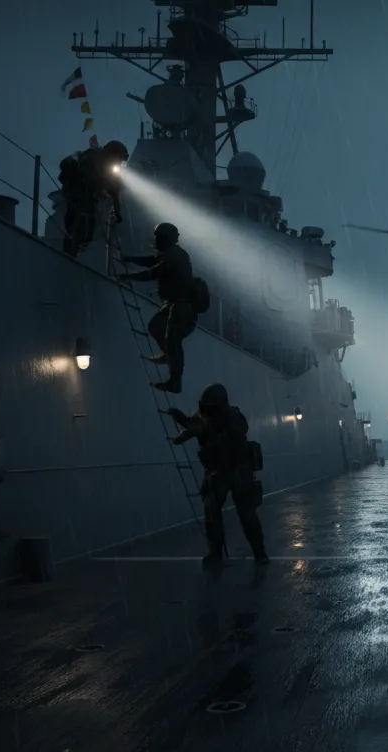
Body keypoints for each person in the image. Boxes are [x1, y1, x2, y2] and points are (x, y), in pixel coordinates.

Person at [167, 384, 269, 568]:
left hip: (237, 471)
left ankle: (259, 553)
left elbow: (221, 432)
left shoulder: (233, 418)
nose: (205, 410)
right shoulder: (208, 417)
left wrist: (194, 431)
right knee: (213, 513)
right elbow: (194, 425)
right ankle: (217, 552)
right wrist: (181, 419)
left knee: (246, 514)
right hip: (219, 472)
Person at [118, 222, 209, 393]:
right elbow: (151, 261)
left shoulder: (176, 256)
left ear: (165, 238)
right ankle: (168, 355)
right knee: (155, 327)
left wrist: (127, 276)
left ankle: (175, 381)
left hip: (183, 306)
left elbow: (154, 272)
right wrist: (130, 258)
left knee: (173, 340)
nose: (156, 240)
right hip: (174, 303)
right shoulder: (168, 254)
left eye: (158, 237)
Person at [58, 140, 130, 258]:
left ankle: (75, 249)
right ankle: (71, 249)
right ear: (113, 154)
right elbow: (88, 176)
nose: (119, 163)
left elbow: (114, 192)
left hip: (87, 197)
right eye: (119, 159)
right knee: (81, 221)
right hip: (77, 193)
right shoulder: (94, 156)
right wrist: (103, 185)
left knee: (87, 225)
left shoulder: (107, 166)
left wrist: (117, 211)